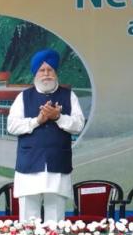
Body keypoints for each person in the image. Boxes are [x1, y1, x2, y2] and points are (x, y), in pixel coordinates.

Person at [7, 49, 85, 222]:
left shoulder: (69, 96)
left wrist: (58, 117)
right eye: (42, 70)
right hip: (29, 166)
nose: (46, 74)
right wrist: (38, 120)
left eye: (50, 70)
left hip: (57, 166)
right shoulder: (23, 97)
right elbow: (11, 126)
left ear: (56, 73)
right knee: (28, 220)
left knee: (55, 221)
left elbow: (79, 124)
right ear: (36, 73)